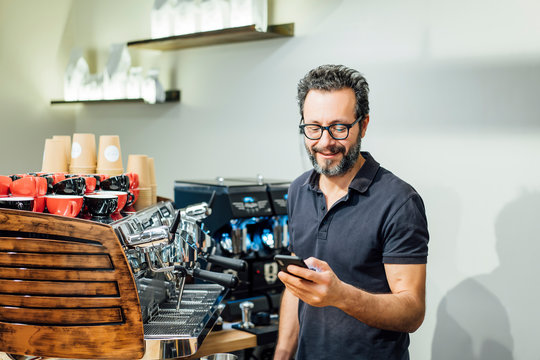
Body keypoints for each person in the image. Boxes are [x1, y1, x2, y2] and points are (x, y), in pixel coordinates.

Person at [274, 65, 429, 360]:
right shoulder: (298, 191)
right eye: (313, 128)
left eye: (339, 127)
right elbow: (297, 286)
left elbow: (412, 312)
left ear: (364, 125)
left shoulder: (399, 201)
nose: (324, 142)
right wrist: (282, 354)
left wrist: (341, 296)